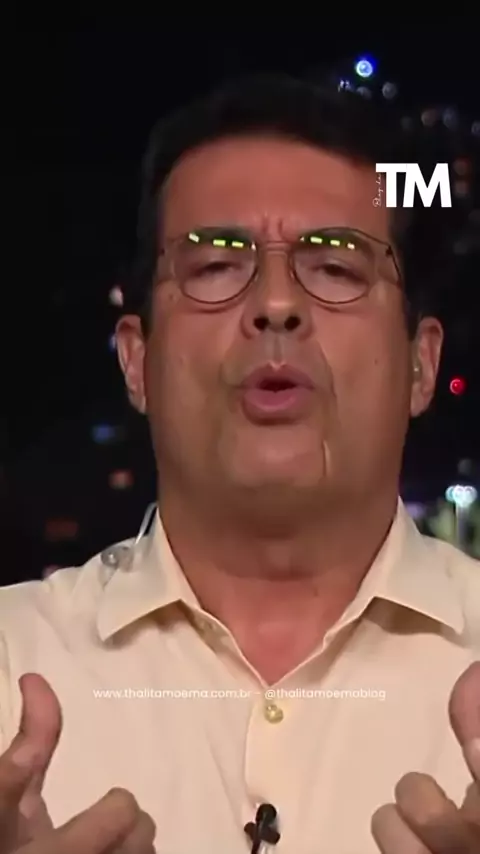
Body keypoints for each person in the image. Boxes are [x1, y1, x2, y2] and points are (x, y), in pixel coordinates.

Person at [1, 74, 479, 853]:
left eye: (336, 267)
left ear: (421, 365)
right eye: (216, 267)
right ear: (136, 361)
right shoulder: (11, 661)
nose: (276, 304)